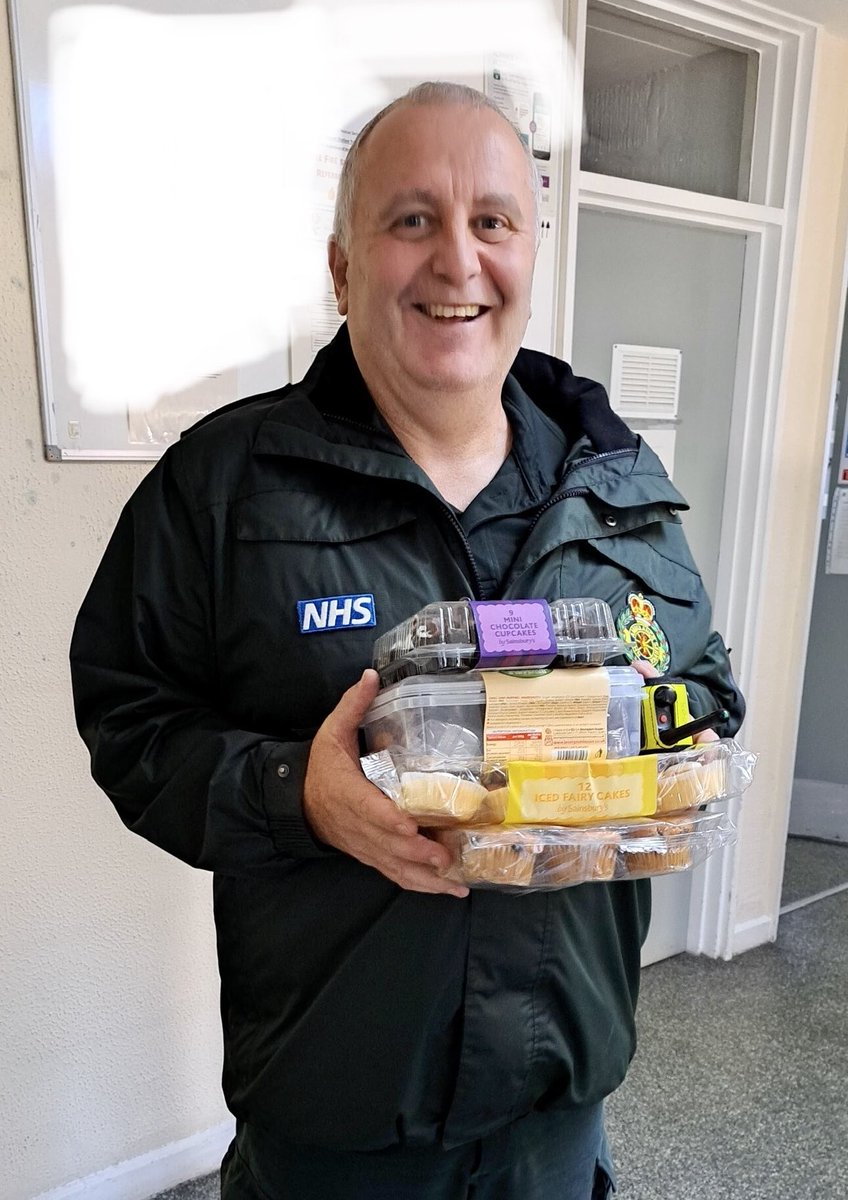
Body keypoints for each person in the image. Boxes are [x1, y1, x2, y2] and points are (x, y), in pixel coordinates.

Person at [70, 82, 744, 1199]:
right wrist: (297, 791)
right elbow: (131, 719)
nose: (456, 262)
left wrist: (674, 763)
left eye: (490, 220)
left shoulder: (621, 492)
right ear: (341, 267)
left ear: (529, 251)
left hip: (554, 1115)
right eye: (411, 219)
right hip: (338, 1128)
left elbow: (701, 691)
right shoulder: (225, 488)